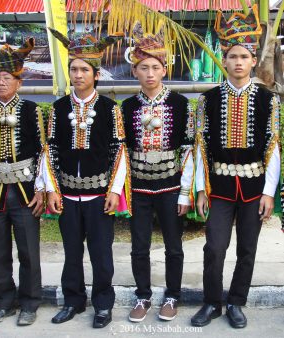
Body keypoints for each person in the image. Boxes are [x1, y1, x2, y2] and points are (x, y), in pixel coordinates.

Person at [191, 5, 280, 329]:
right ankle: (212, 302)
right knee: (214, 247)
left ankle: (236, 302)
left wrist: (269, 193)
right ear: (224, 60)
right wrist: (202, 188)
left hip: (255, 188)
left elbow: (273, 147)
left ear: (253, 61)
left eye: (244, 57)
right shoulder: (207, 100)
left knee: (247, 249)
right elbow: (200, 148)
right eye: (233, 57)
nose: (239, 62)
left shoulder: (270, 100)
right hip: (220, 189)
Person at [41, 27, 130, 329]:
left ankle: (103, 305)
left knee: (101, 255)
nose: (77, 75)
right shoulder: (57, 109)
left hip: (99, 196)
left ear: (95, 73)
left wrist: (115, 191)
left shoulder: (109, 109)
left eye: (83, 69)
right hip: (67, 194)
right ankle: (73, 301)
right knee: (71, 253)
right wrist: (52, 189)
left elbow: (119, 151)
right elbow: (50, 151)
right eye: (73, 69)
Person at [0, 30, 45, 326]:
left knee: (28, 250)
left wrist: (41, 189)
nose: (0, 82)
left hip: (25, 191)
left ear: (18, 81)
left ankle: (29, 302)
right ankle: (2, 301)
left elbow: (43, 153)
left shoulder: (30, 110)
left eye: (6, 77)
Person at [122, 22, 195, 323]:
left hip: (169, 186)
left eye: (155, 66)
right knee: (139, 247)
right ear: (135, 71)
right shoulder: (125, 107)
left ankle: (173, 295)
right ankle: (142, 297)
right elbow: (121, 153)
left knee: (173, 247)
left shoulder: (181, 104)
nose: (149, 73)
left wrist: (186, 191)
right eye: (143, 67)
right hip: (138, 186)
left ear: (164, 69)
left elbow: (190, 149)